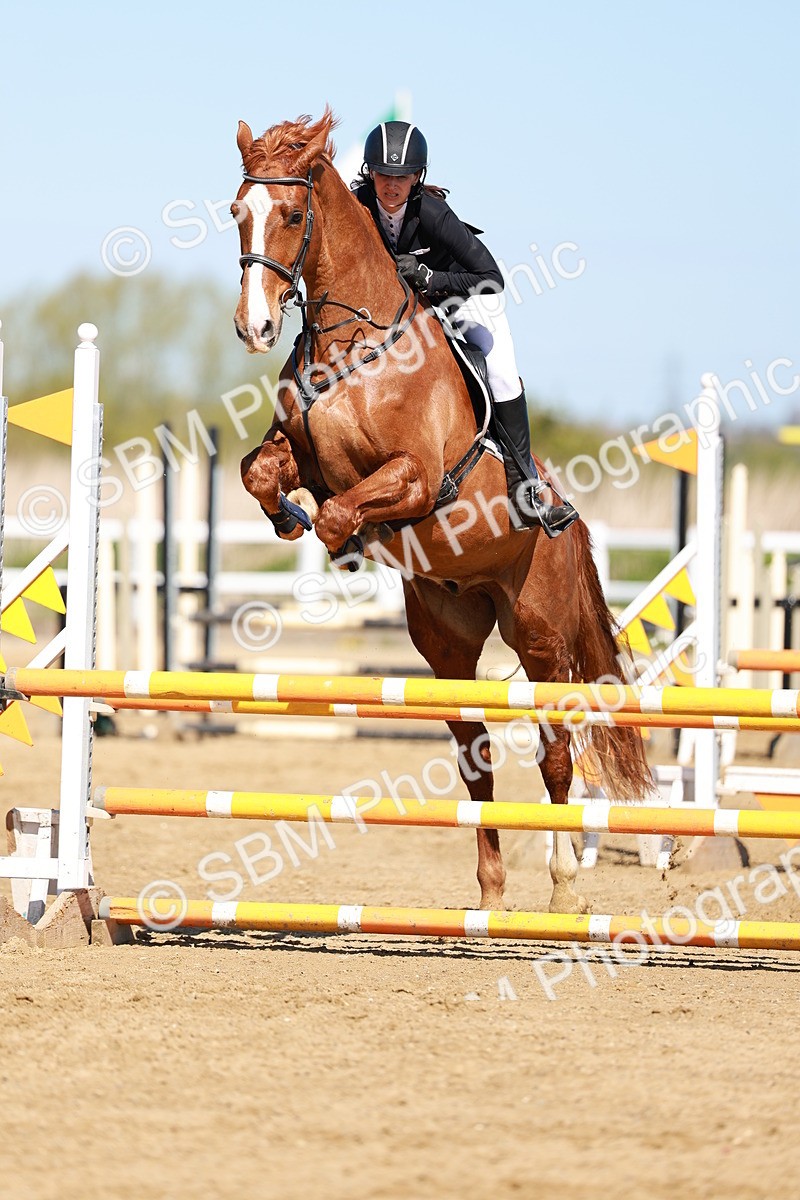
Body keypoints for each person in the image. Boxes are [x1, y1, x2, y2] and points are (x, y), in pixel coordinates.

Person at [353, 120, 578, 537]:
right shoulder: (359, 206)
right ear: (370, 173)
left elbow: (491, 276)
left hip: (463, 299)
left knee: (501, 368)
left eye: (402, 177)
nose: (392, 185)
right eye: (384, 174)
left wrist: (429, 276)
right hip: (405, 317)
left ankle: (525, 483)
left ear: (417, 177)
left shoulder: (434, 214)